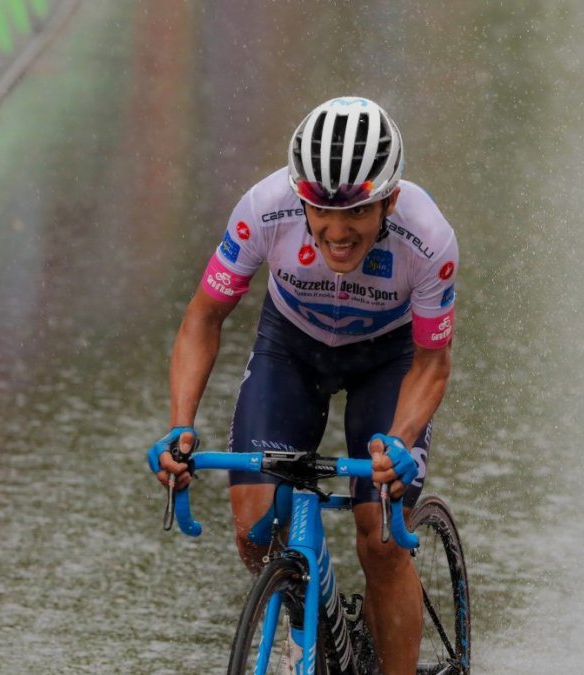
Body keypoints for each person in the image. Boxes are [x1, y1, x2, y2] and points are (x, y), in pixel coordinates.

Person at [152, 96, 457, 673]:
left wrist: (400, 439)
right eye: (320, 211)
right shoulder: (263, 209)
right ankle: (314, 612)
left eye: (358, 214)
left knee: (381, 537)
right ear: (299, 196)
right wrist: (180, 426)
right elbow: (202, 319)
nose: (336, 233)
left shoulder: (429, 238)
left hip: (388, 360)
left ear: (389, 200)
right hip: (291, 349)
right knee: (253, 526)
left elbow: (431, 364)